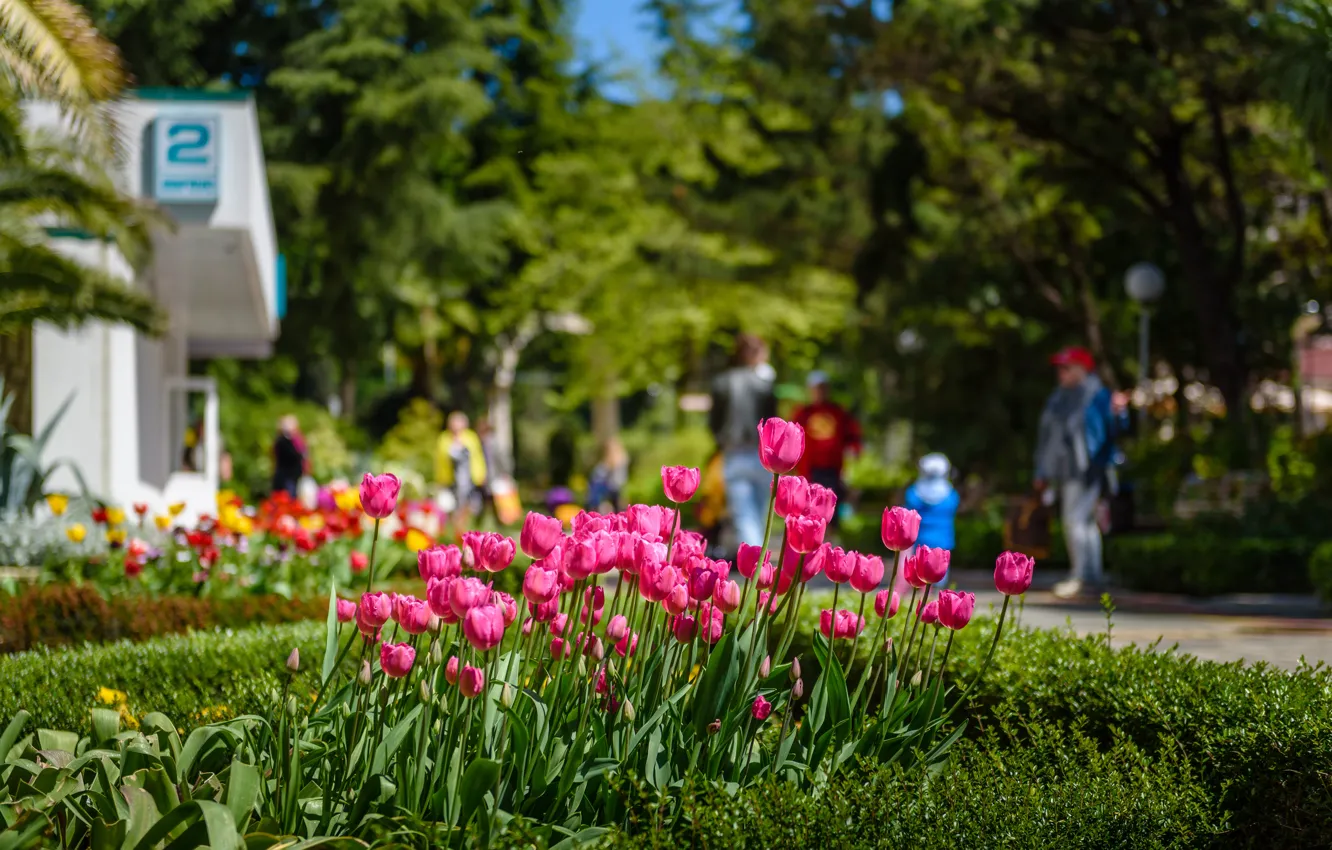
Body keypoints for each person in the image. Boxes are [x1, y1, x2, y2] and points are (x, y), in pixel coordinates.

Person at [1034, 346, 1130, 599]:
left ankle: (1082, 576)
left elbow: (1116, 428)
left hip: (1089, 469)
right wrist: (1041, 470)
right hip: (1065, 471)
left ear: (1082, 369)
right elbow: (1047, 436)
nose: (1061, 373)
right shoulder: (1059, 398)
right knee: (1083, 522)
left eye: (1066, 367)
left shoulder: (1098, 395)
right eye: (1060, 368)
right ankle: (1090, 575)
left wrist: (1121, 413)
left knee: (1076, 521)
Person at [709, 333, 777, 548]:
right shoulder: (764, 385)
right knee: (757, 513)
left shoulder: (721, 382)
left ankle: (754, 562)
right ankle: (759, 562)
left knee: (744, 514)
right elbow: (772, 421)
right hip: (762, 455)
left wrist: (721, 441)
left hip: (734, 452)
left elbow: (713, 422)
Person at [792, 370, 862, 525]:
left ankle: (830, 543)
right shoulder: (803, 414)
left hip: (833, 471)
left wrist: (854, 451)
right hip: (809, 471)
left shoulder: (838, 413)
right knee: (809, 512)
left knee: (830, 511)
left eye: (823, 388)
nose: (820, 392)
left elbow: (852, 436)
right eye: (816, 388)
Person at [903, 453, 960, 584]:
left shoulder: (913, 493)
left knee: (917, 580)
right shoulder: (951, 495)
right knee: (938, 579)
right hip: (943, 542)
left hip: (919, 542)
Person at [435, 412, 487, 529]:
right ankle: (455, 530)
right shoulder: (444, 439)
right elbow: (439, 461)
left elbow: (478, 457)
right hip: (451, 479)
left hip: (469, 479)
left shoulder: (471, 437)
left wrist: (481, 474)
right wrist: (440, 479)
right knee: (451, 506)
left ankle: (465, 528)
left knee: (470, 506)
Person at [587, 437, 630, 513]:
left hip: (610, 490)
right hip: (609, 490)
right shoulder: (616, 460)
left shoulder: (615, 461)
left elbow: (616, 479)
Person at [271, 414, 310, 498]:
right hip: (286, 477)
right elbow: (292, 456)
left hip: (295, 476)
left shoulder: (297, 439)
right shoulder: (282, 441)